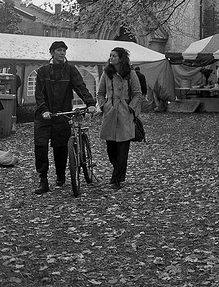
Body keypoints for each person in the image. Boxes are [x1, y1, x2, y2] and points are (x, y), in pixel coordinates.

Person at [34, 41, 97, 194]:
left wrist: (90, 103)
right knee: (40, 146)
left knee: (61, 147)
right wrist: (43, 110)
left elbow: (80, 87)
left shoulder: (70, 71)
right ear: (52, 53)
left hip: (62, 114)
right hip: (45, 115)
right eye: (59, 50)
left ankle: (60, 176)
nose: (62, 53)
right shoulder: (43, 72)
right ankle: (43, 179)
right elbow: (39, 94)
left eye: (64, 50)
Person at [98, 47, 142, 190]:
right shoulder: (106, 73)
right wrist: (104, 106)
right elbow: (100, 92)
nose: (111, 58)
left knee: (122, 150)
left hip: (124, 114)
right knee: (111, 150)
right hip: (110, 113)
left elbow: (137, 93)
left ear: (121, 58)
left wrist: (131, 108)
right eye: (110, 55)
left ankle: (116, 178)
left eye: (115, 56)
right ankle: (118, 173)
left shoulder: (131, 74)